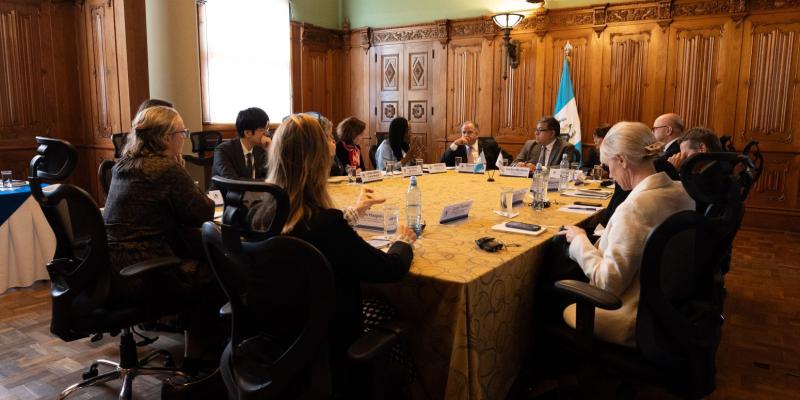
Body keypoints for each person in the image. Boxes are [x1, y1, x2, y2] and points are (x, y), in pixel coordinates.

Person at [248, 114, 416, 397]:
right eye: (327, 140)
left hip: (275, 338)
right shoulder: (326, 226)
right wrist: (403, 242)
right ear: (317, 161)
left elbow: (312, 232)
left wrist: (353, 212)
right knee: (389, 309)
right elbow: (390, 269)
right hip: (327, 339)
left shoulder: (260, 215)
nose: (332, 143)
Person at [553, 122, 695, 346]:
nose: (610, 173)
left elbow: (608, 284)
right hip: (672, 309)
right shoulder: (684, 192)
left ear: (622, 160)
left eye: (609, 165)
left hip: (632, 316)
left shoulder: (635, 207)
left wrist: (579, 241)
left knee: (552, 282)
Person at [103, 105, 222, 367]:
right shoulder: (166, 169)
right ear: (167, 138)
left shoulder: (124, 165)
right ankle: (200, 359)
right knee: (216, 272)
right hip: (140, 273)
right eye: (183, 131)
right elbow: (203, 211)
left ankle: (194, 344)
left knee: (198, 251)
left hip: (111, 268)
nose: (185, 137)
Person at [210, 107, 270, 189]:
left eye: (267, 129)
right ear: (247, 133)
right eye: (262, 130)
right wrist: (265, 183)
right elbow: (233, 182)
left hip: (256, 198)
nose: (267, 133)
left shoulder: (261, 149)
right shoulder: (223, 150)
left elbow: (273, 177)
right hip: (227, 198)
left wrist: (271, 151)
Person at [440, 121, 510, 167]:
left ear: (477, 134)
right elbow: (443, 163)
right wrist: (454, 144)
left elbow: (507, 159)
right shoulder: (457, 146)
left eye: (470, 132)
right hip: (462, 179)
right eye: (463, 132)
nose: (466, 135)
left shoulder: (489, 144)